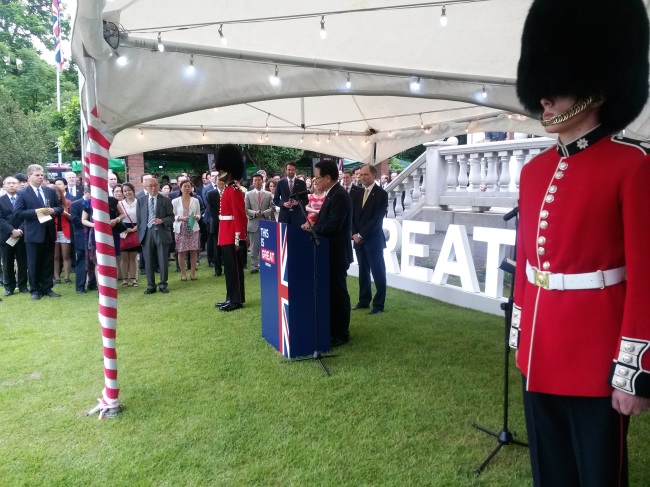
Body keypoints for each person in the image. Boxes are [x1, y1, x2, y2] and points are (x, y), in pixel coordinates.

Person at [509, 1, 650, 485]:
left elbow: (645, 278)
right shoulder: (533, 173)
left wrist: (634, 369)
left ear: (595, 88)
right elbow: (528, 262)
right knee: (550, 474)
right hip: (540, 352)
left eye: (556, 89)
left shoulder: (632, 166)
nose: (543, 100)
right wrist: (521, 337)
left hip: (597, 358)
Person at [301, 160, 352, 347]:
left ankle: (341, 332)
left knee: (339, 293)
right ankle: (332, 328)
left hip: (337, 254)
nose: (315, 181)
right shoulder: (332, 194)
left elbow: (333, 226)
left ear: (328, 178)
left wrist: (314, 227)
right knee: (332, 292)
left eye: (318, 177)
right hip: (329, 253)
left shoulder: (339, 196)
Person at [14, 164, 63, 300]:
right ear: (29, 176)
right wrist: (36, 212)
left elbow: (60, 208)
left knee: (48, 261)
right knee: (34, 262)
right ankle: (35, 290)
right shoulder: (22, 193)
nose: (40, 177)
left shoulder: (50, 191)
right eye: (37, 175)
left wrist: (54, 211)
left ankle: (47, 288)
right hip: (33, 233)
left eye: (42, 175)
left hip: (48, 231)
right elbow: (18, 213)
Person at [214, 144, 247, 312]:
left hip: (232, 235)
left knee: (234, 269)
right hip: (225, 233)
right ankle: (231, 297)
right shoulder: (227, 189)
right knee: (229, 269)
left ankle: (236, 300)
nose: (220, 174)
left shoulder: (234, 190)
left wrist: (238, 238)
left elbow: (240, 216)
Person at [351, 164, 388, 315]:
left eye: (366, 174)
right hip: (358, 241)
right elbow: (352, 215)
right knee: (363, 271)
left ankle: (378, 305)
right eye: (361, 174)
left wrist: (361, 235)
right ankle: (364, 300)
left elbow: (377, 220)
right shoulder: (358, 193)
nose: (362, 177)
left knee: (378, 272)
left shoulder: (381, 194)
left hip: (373, 241)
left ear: (374, 175)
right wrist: (354, 233)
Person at [136, 178, 174, 294]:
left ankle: (163, 284)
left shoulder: (165, 200)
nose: (153, 188)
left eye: (155, 185)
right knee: (148, 261)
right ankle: (151, 285)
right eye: (150, 186)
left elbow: (171, 217)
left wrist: (162, 220)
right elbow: (139, 220)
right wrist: (140, 236)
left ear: (158, 186)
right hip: (147, 233)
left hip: (161, 232)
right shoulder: (141, 200)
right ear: (145, 187)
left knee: (163, 260)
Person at [0, 176, 28, 296]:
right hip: (6, 236)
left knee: (22, 262)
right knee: (7, 263)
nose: (11, 185)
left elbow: (26, 217)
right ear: (4, 186)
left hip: (22, 235)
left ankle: (22, 286)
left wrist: (19, 230)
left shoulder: (24, 199)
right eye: (9, 183)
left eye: (14, 183)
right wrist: (11, 231)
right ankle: (9, 287)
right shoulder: (0, 200)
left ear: (18, 185)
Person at [244, 173, 274, 273]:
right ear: (252, 182)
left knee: (267, 246)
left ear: (262, 181)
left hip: (266, 223)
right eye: (255, 180)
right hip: (254, 223)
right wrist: (255, 213)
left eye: (259, 180)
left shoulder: (268, 194)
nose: (257, 182)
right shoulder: (248, 194)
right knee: (254, 247)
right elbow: (246, 209)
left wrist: (264, 213)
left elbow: (272, 208)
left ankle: (266, 264)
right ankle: (255, 266)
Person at [172, 180, 201, 281]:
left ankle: (192, 273)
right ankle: (183, 273)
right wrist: (180, 218)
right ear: (180, 188)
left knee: (193, 251)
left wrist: (196, 217)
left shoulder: (195, 200)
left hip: (193, 228)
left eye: (189, 186)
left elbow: (199, 213)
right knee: (181, 251)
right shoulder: (175, 201)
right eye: (185, 186)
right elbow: (172, 215)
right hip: (180, 229)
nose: (187, 188)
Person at [70, 185, 91, 294]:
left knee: (94, 262)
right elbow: (74, 219)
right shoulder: (75, 204)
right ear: (86, 191)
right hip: (81, 236)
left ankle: (92, 284)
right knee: (82, 261)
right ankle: (80, 287)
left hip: (94, 236)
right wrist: (89, 225)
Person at [273, 161, 308, 226]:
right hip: (284, 216)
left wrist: (297, 203)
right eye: (289, 170)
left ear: (295, 170)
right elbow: (275, 199)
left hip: (297, 216)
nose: (291, 171)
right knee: (284, 236)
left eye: (293, 170)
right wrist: (283, 204)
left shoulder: (301, 183)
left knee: (297, 235)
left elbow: (306, 200)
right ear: (286, 170)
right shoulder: (280, 183)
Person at [118, 183, 139, 287]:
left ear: (133, 190)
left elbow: (143, 218)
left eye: (129, 190)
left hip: (135, 229)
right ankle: (124, 279)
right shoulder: (120, 204)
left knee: (133, 257)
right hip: (123, 230)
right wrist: (125, 229)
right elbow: (118, 217)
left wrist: (135, 229)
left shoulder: (139, 202)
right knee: (124, 256)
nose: (127, 193)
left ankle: (134, 278)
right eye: (125, 191)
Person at [52, 183, 72, 285]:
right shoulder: (49, 205)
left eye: (59, 193)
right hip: (53, 231)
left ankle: (67, 277)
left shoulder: (68, 203)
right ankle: (57, 278)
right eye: (55, 193)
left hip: (65, 231)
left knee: (66, 255)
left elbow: (73, 218)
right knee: (55, 256)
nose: (57, 195)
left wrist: (64, 212)